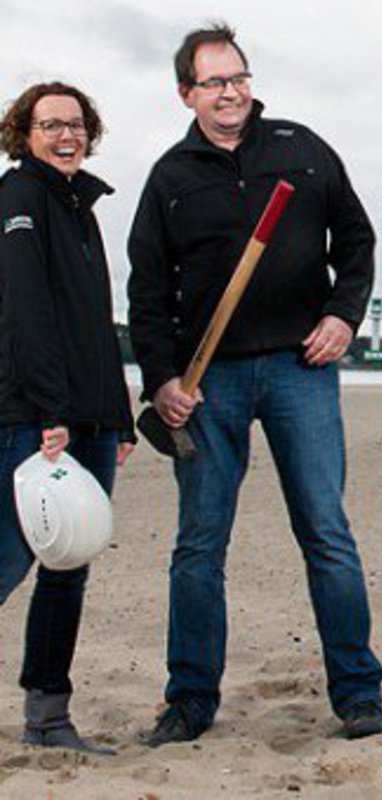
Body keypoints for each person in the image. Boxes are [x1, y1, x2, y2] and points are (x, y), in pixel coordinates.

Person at [127, 23, 382, 746]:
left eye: (238, 77)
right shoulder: (169, 178)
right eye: (214, 82)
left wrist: (343, 315)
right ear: (187, 93)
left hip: (301, 369)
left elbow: (356, 241)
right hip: (208, 382)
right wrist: (161, 380)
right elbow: (147, 291)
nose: (231, 92)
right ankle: (190, 700)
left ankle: (358, 693)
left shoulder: (302, 149)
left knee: (326, 533)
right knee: (199, 544)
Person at [0, 82, 135, 753]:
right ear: (24, 134)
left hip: (90, 416)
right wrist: (52, 411)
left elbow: (93, 322)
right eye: (50, 124)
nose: (66, 135)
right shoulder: (19, 197)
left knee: (69, 562)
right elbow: (25, 309)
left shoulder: (80, 205)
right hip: (34, 415)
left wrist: (119, 417)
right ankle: (47, 717)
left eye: (76, 124)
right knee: (8, 558)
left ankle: (48, 718)